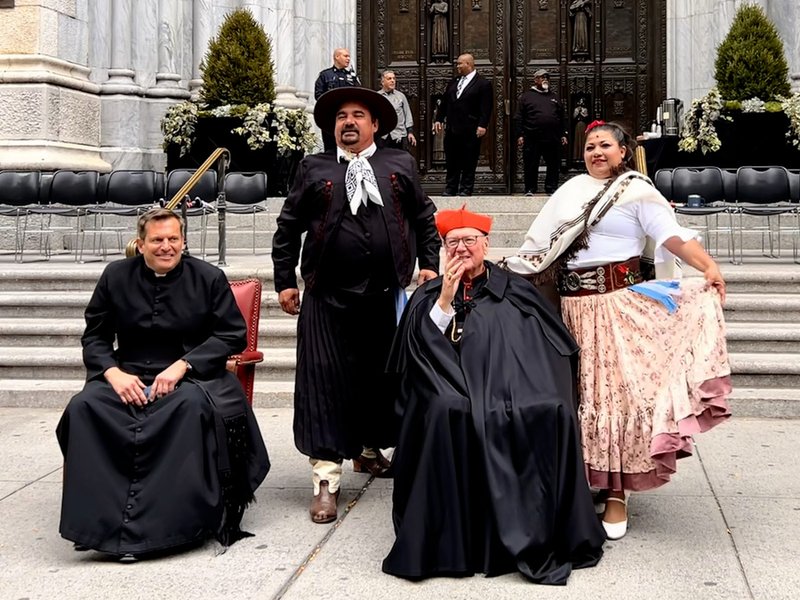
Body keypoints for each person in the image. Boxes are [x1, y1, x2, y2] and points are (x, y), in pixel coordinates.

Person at [504, 120, 732, 540]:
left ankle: (617, 493)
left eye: (604, 145)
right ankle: (584, 478)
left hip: (614, 309)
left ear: (623, 151)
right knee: (576, 396)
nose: (596, 152)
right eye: (590, 146)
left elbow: (673, 237)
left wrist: (708, 267)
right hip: (568, 311)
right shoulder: (569, 192)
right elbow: (537, 249)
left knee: (614, 397)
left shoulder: (637, 191)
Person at [382, 205, 605, 584]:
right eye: (454, 242)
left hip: (509, 386)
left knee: (547, 410)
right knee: (445, 411)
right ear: (443, 249)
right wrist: (445, 301)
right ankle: (449, 541)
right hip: (445, 387)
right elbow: (416, 353)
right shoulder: (428, 295)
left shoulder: (515, 291)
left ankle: (535, 528)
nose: (462, 249)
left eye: (470, 240)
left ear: (486, 244)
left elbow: (547, 346)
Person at [56, 208, 270, 560]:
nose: (166, 246)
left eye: (174, 239)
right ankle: (101, 525)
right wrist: (112, 373)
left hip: (192, 377)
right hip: (126, 373)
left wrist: (183, 366)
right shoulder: (114, 276)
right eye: (157, 240)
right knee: (85, 407)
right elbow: (94, 338)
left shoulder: (208, 277)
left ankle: (174, 527)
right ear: (140, 245)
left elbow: (232, 334)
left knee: (187, 410)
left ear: (184, 241)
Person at [272, 86, 440, 524]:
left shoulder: (398, 164)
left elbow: (423, 216)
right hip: (326, 298)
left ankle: (368, 452)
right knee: (325, 383)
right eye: (341, 116)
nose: (349, 122)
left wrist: (429, 265)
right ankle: (326, 479)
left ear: (376, 124)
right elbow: (288, 227)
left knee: (380, 380)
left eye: (358, 115)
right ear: (333, 126)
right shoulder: (313, 167)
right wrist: (284, 281)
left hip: (385, 296)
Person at [433, 53, 493, 196]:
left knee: (469, 159)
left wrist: (482, 125)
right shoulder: (454, 82)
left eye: (460, 63)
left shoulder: (483, 83)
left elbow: (486, 107)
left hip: (471, 128)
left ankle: (466, 188)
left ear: (469, 64)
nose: (457, 66)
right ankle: (451, 187)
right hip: (453, 128)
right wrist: (438, 119)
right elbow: (445, 102)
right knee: (452, 159)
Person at [514, 68, 568, 195]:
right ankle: (530, 188)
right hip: (532, 137)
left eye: (547, 78)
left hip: (552, 137)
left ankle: (551, 188)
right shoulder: (526, 97)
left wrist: (563, 133)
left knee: (553, 164)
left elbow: (562, 117)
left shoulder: (554, 97)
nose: (545, 80)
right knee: (531, 164)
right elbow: (519, 117)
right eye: (542, 77)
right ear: (535, 80)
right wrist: (520, 134)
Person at [314, 48, 362, 151]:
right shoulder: (325, 75)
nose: (348, 59)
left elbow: (359, 93)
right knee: (331, 148)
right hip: (330, 118)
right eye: (345, 56)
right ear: (336, 57)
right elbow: (318, 95)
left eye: (349, 56)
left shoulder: (351, 76)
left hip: (348, 118)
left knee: (349, 146)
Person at [377, 70, 417, 151]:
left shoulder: (400, 96)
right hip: (383, 136)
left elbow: (407, 114)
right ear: (382, 82)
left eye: (394, 79)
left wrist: (410, 132)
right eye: (389, 79)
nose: (392, 81)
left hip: (399, 135)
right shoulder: (378, 96)